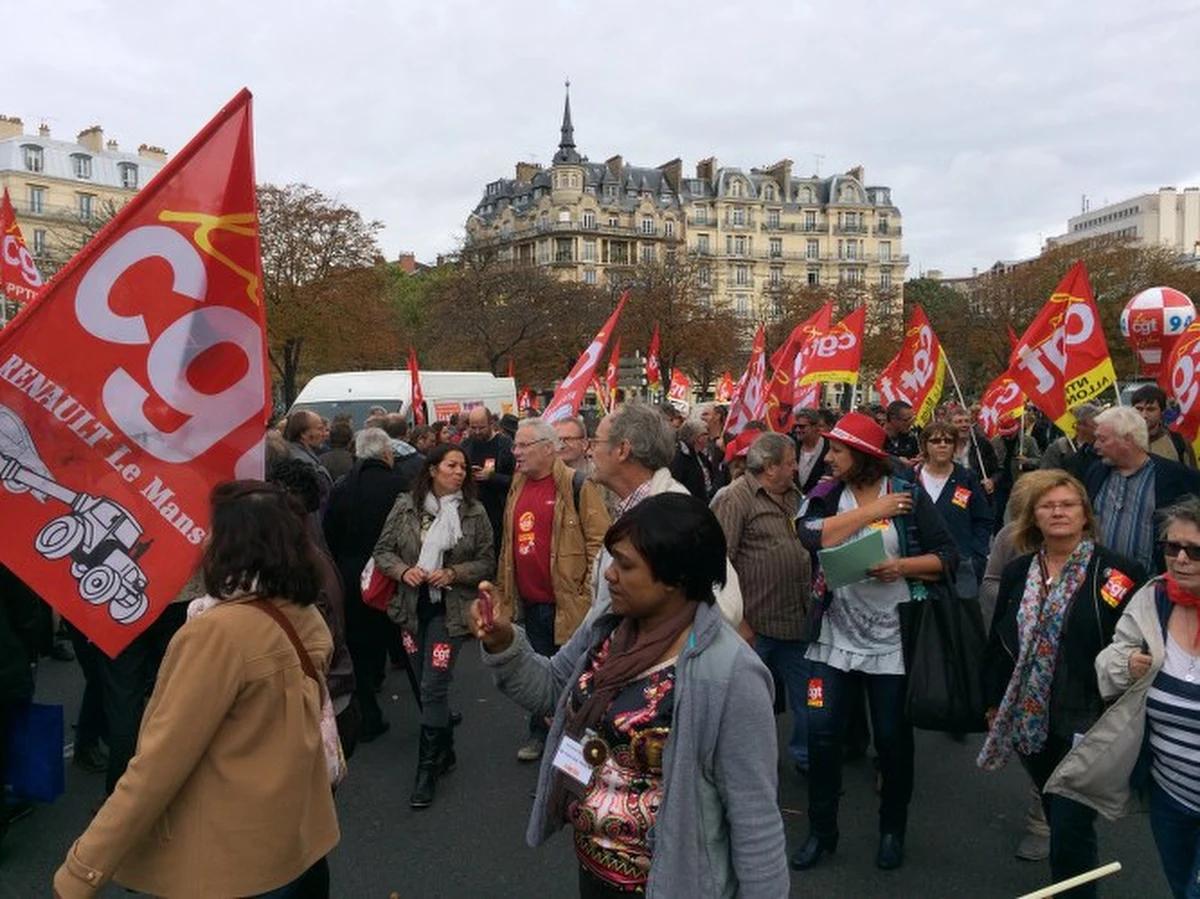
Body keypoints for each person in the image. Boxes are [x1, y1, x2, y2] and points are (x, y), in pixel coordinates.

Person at [472, 493, 789, 898]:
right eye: (611, 560)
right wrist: (503, 643)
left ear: (677, 577)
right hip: (595, 873)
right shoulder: (608, 630)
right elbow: (550, 688)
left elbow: (755, 818)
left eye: (625, 564)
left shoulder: (732, 674)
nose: (609, 575)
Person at [53, 482, 340, 898]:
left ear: (232, 546)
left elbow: (159, 764)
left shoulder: (218, 634)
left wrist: (83, 869)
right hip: (293, 842)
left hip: (228, 858)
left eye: (213, 531)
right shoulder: (303, 612)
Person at [792, 412, 957, 872]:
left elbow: (948, 556)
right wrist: (871, 514)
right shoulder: (826, 493)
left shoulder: (910, 497)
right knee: (822, 734)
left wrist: (900, 567)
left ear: (863, 458)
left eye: (839, 450)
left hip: (892, 644)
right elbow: (805, 535)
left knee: (891, 740)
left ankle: (892, 830)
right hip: (833, 640)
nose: (830, 457)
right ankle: (821, 831)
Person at [979, 469, 1147, 898]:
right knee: (1056, 810)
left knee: (1072, 826)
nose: (1058, 512)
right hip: (1030, 718)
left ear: (1085, 515)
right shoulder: (1019, 570)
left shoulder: (1118, 574)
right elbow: (1000, 638)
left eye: (1068, 504)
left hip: (1087, 718)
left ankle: (1073, 890)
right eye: (1047, 505)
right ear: (1033, 516)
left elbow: (1135, 638)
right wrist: (993, 701)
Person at [1047, 497, 1200, 897]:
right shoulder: (1154, 598)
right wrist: (1127, 663)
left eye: (1194, 550)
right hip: (1171, 795)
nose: (1180, 558)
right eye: (1172, 547)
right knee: (1181, 886)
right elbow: (1108, 665)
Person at [372, 443, 495, 807]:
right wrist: (403, 570)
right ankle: (447, 751)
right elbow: (382, 551)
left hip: (450, 613)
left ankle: (426, 772)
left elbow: (487, 561)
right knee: (423, 685)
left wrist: (454, 572)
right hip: (410, 610)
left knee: (433, 686)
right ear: (432, 469)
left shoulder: (474, 512)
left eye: (463, 467)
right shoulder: (405, 506)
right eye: (451, 465)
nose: (459, 472)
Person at [496, 417, 611, 762]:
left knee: (575, 677)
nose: (514, 452)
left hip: (568, 605)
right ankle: (540, 735)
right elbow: (509, 543)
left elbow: (600, 542)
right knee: (538, 670)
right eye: (515, 445)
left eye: (522, 445)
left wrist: (583, 590)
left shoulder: (578, 484)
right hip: (531, 603)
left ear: (549, 448)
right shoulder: (517, 484)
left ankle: (578, 746)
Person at [591, 403, 745, 630]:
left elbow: (726, 607)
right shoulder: (633, 508)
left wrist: (658, 645)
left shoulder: (677, 516)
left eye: (596, 442)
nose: (589, 450)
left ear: (622, 450)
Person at [712, 431, 812, 770]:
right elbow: (718, 562)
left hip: (797, 622)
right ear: (770, 468)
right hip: (754, 628)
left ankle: (806, 757)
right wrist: (738, 622)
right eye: (790, 462)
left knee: (809, 701)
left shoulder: (795, 496)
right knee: (748, 704)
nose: (796, 467)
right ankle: (745, 766)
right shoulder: (734, 498)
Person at [323, 428, 415, 742]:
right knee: (408, 643)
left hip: (353, 576)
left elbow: (329, 533)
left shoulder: (342, 487)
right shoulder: (400, 485)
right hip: (395, 575)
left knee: (360, 647)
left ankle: (368, 713)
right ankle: (431, 711)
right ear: (388, 454)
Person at [1086, 406, 1200, 574]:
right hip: (1102, 581)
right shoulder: (1096, 472)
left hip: (1153, 584)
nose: (1095, 446)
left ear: (1127, 439)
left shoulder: (1176, 477)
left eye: (1102, 439)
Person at [913, 421, 993, 598]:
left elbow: (983, 519)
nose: (942, 445)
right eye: (935, 441)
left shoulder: (967, 478)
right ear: (925, 446)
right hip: (918, 566)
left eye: (948, 441)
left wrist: (976, 554)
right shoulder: (911, 479)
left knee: (961, 621)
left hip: (960, 566)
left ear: (954, 446)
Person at [460, 406, 516, 556]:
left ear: (491, 423)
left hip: (498, 512)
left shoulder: (504, 445)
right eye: (473, 427)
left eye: (481, 427)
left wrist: (492, 477)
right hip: (471, 510)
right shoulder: (465, 445)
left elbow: (517, 480)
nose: (477, 432)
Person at [1133, 383, 1199, 468]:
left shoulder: (1178, 443)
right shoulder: (1121, 442)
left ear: (1162, 412)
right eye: (1139, 409)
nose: (1144, 415)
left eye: (1150, 409)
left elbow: (1192, 478)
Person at [1040, 403, 1101, 480]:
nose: (1079, 427)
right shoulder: (1060, 447)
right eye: (1079, 423)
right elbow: (1045, 478)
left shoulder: (1103, 450)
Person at [951, 407, 999, 499]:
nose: (964, 424)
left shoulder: (981, 444)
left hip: (978, 496)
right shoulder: (944, 446)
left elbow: (998, 470)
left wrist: (992, 481)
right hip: (951, 497)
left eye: (966, 421)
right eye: (959, 422)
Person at [284, 409, 333, 492]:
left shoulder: (288, 454)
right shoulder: (304, 465)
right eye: (319, 429)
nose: (323, 433)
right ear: (303, 434)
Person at [668, 418, 713, 500]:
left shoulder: (701, 456)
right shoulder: (680, 458)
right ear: (697, 437)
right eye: (705, 434)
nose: (708, 437)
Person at [794, 407, 832, 495]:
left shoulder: (829, 447)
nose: (797, 430)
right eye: (796, 426)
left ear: (815, 427)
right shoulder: (792, 447)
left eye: (802, 427)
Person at [882, 400, 920, 465]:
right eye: (906, 420)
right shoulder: (877, 436)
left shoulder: (911, 436)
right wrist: (896, 460)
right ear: (893, 419)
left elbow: (915, 455)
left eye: (912, 419)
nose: (910, 423)